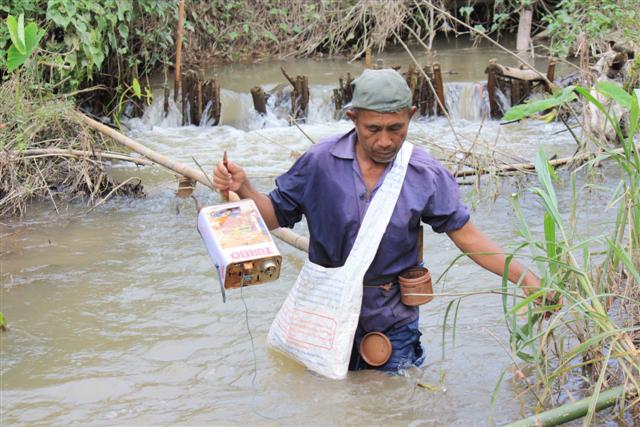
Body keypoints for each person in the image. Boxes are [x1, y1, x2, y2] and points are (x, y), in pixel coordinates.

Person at [214, 68, 553, 372]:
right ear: (352, 118)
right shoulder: (319, 163)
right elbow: (272, 217)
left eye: (396, 128)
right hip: (325, 315)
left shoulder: (424, 174)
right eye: (372, 129)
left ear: (412, 116)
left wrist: (526, 278)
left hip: (391, 321)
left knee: (393, 405)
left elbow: (467, 236)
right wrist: (243, 186)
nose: (385, 140)